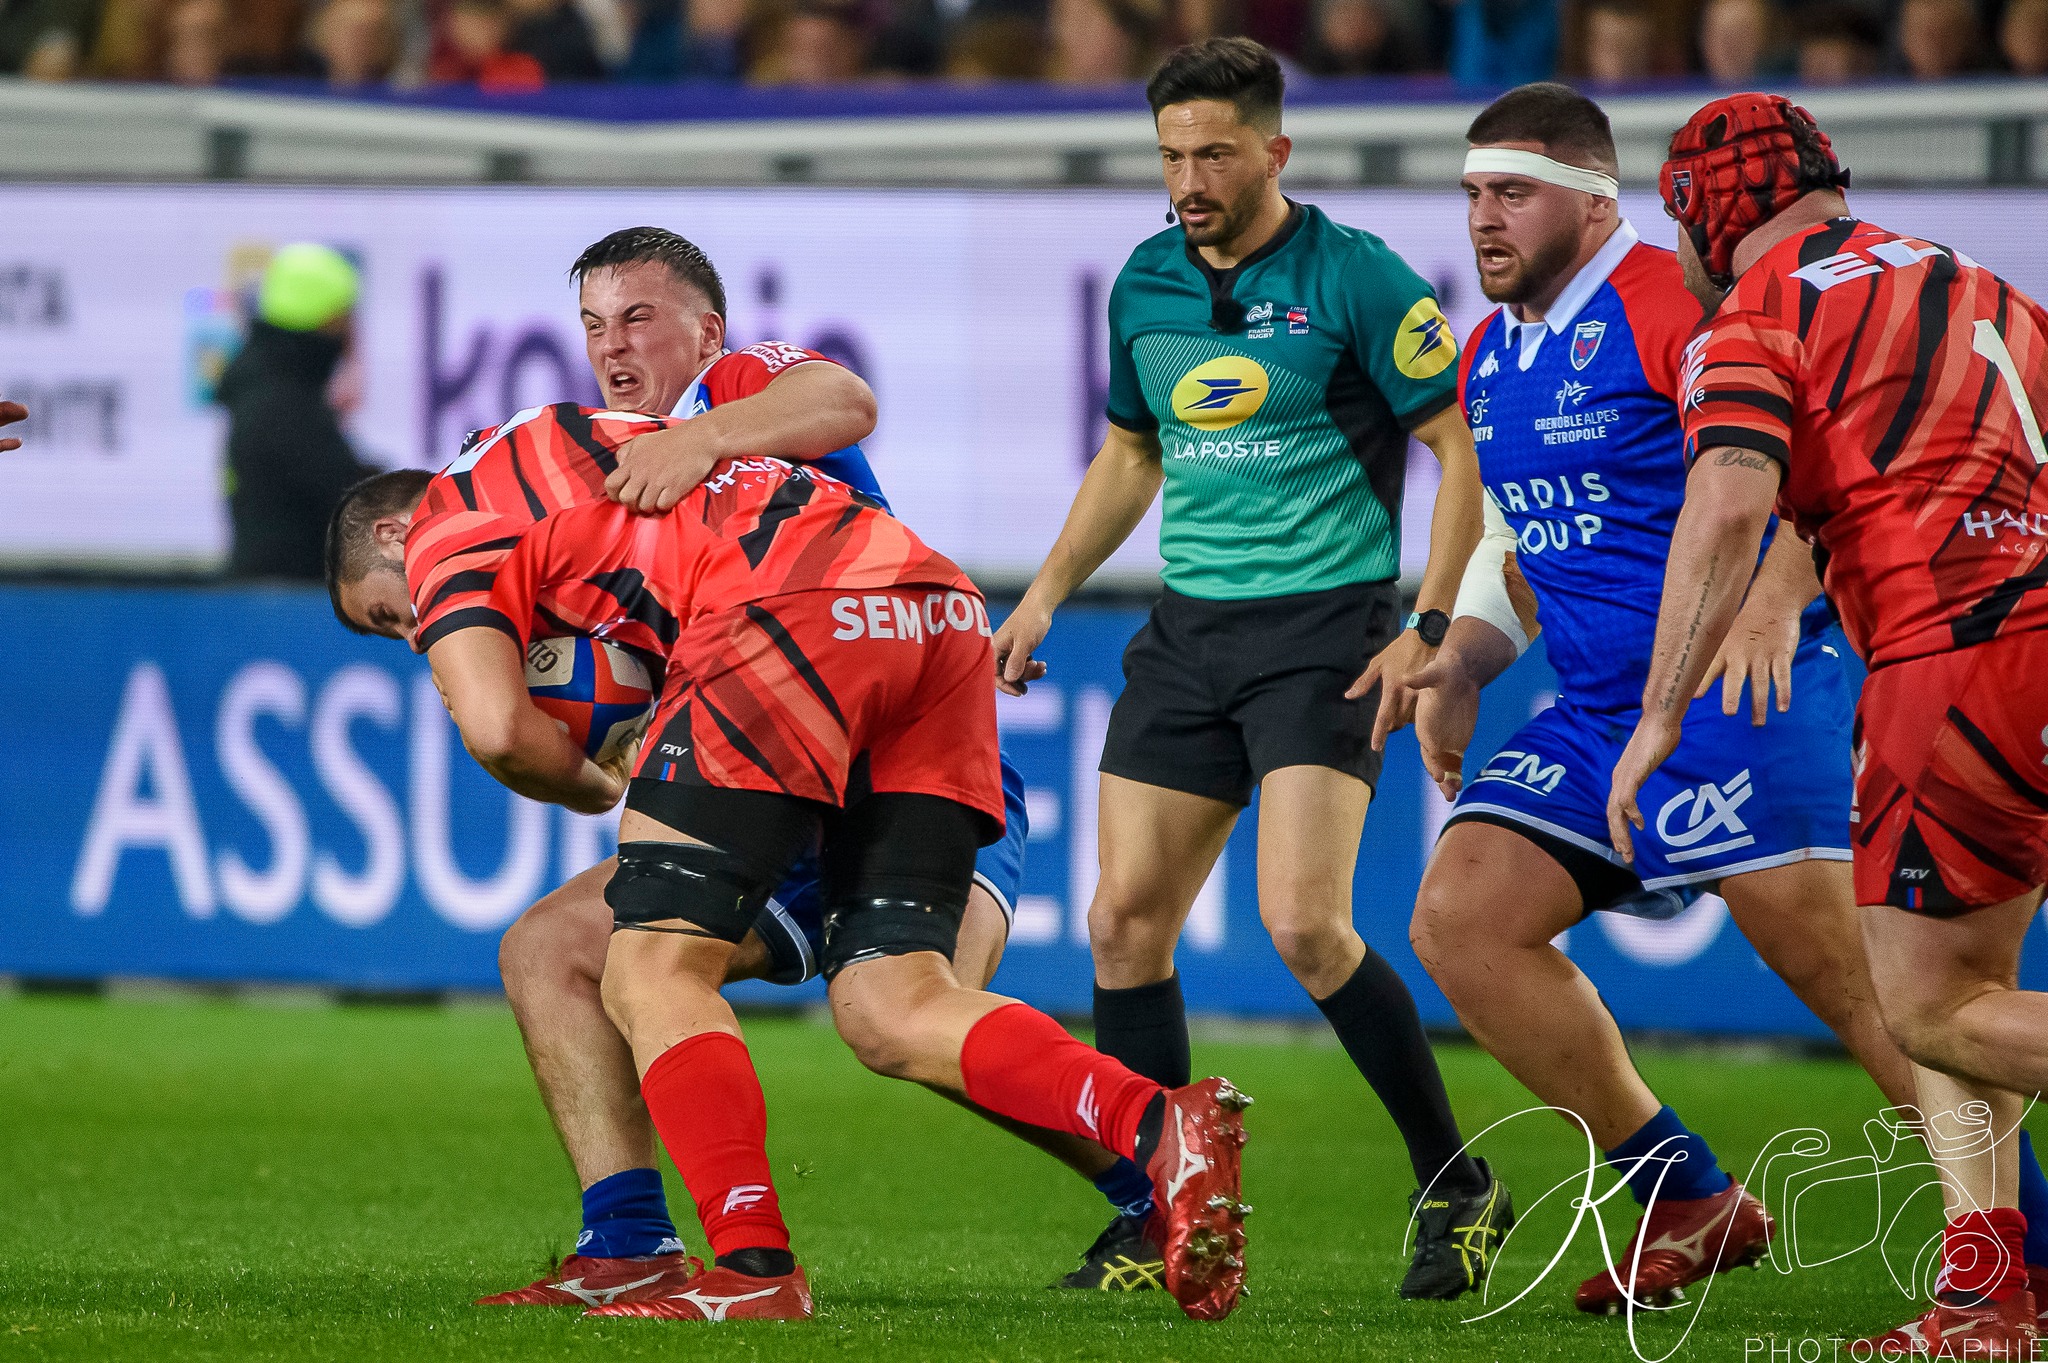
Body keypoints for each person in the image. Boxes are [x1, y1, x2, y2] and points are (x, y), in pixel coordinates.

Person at [333, 226, 1157, 1307]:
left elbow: (844, 401)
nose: (612, 347)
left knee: (900, 1016)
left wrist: (705, 438)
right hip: (788, 754)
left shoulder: (735, 391)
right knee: (556, 951)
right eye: (592, 326)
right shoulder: (587, 484)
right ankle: (627, 1239)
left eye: (637, 317)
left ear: (706, 328)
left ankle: (1146, 1184)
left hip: (864, 732)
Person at [1407, 80, 1978, 1317]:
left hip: (1739, 694)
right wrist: (1458, 658)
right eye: (1469, 196)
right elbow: (1525, 538)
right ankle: (1683, 1196)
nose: (1482, 221)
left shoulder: (1676, 304)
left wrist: (1779, 587)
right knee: (1463, 919)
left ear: (1592, 196)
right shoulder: (1491, 351)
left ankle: (2012, 1249)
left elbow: (1791, 458)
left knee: (1878, 1005)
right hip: (1600, 703)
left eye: (1509, 193)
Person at [993, 36, 1511, 1301]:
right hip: (1185, 635)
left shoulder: (1355, 277)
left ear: (1274, 150)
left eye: (1213, 151)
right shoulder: (1147, 282)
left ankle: (1455, 1178)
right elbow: (1130, 457)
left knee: (1302, 925)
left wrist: (1429, 625)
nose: (1187, 177)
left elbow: (1458, 451)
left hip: (1322, 634)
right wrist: (1044, 595)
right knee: (1121, 925)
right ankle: (1161, 1208)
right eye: (1170, 153)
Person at [1608, 91, 2048, 1353]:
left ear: (1704, 216)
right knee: (1972, 981)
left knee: (1923, 1009)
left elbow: (1726, 508)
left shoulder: (1755, 314)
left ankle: (1989, 1287)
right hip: (2014, 630)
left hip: (1954, 658)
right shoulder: (1980, 287)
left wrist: (1657, 712)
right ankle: (1989, 1289)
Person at [218, 243, 378, 581]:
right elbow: (353, 502)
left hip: (270, 604)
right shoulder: (283, 408)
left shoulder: (265, 389)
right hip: (290, 613)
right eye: (344, 316)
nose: (351, 332)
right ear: (325, 320)